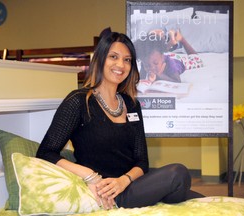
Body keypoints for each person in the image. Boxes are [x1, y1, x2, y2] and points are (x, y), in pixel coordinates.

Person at [36, 32, 203, 210]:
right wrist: (89, 176)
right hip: (109, 191)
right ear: (100, 59)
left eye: (127, 60)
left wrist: (124, 181)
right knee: (178, 174)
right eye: (113, 57)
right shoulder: (79, 101)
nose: (120, 65)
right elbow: (46, 152)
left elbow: (142, 162)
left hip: (130, 184)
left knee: (195, 195)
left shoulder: (131, 104)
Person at [135, 29, 203, 83]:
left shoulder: (170, 63)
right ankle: (170, 43)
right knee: (157, 54)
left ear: (162, 57)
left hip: (181, 62)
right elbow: (141, 78)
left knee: (196, 58)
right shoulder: (147, 62)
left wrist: (159, 74)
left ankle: (182, 39)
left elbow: (177, 81)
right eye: (147, 65)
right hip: (169, 55)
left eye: (155, 63)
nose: (151, 68)